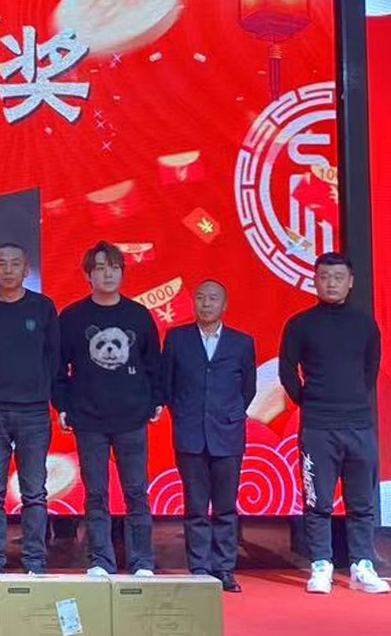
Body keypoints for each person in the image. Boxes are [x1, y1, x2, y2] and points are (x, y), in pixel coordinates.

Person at [280, 252, 390, 595]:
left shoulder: (365, 325)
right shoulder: (300, 325)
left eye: (338, 277)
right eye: (324, 277)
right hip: (318, 426)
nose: (331, 283)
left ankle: (362, 565)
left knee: (362, 501)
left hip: (359, 424)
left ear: (350, 282)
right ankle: (321, 565)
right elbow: (287, 370)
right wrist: (310, 400)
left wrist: (351, 399)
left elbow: (370, 371)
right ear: (314, 280)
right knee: (318, 501)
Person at [53, 241, 163, 577]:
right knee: (96, 493)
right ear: (88, 275)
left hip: (132, 418)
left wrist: (156, 401)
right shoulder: (72, 317)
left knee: (136, 492)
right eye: (100, 268)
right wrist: (63, 405)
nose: (107, 274)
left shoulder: (138, 315)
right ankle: (100, 560)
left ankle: (142, 561)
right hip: (89, 419)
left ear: (122, 272)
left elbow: (154, 364)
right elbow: (58, 368)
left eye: (113, 267)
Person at [0, 243, 59, 575]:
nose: (8, 270)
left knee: (34, 491)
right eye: (1, 264)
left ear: (26, 270)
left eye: (14, 264)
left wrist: (43, 393)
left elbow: (54, 355)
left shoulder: (43, 307)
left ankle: (35, 560)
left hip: (33, 412)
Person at [162, 280, 256, 593]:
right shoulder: (177, 339)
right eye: (200, 298)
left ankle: (224, 569)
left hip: (228, 435)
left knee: (226, 508)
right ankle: (200, 569)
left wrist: (228, 414)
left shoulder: (241, 343)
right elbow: (168, 386)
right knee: (196, 507)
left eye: (213, 298)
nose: (206, 304)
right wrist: (185, 415)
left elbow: (248, 389)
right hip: (190, 434)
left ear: (224, 305)